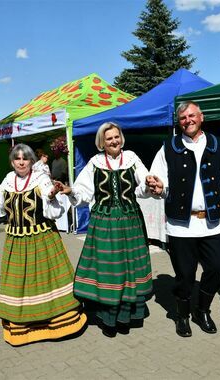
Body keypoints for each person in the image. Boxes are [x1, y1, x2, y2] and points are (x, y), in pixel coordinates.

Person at [0, 143, 86, 346]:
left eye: (25, 158)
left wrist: (51, 196)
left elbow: (53, 209)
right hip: (16, 241)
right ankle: (23, 327)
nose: (21, 162)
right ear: (12, 162)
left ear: (32, 161)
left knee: (46, 280)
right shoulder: (7, 180)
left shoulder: (40, 179)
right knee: (20, 284)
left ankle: (58, 324)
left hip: (42, 238)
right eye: (17, 158)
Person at [145, 101, 220, 337]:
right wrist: (156, 186)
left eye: (191, 116)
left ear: (201, 117)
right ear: (179, 123)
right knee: (185, 276)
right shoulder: (169, 146)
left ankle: (203, 310)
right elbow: (158, 179)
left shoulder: (218, 144)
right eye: (183, 118)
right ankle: (183, 315)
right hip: (180, 226)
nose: (187, 121)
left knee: (217, 267)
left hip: (211, 224)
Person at [56, 122, 152, 338]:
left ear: (121, 138)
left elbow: (143, 184)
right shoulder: (95, 162)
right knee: (109, 269)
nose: (114, 141)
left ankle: (127, 316)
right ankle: (108, 317)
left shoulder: (132, 158)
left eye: (116, 137)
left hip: (129, 220)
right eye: (109, 138)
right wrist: (71, 191)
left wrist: (150, 182)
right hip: (104, 222)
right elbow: (83, 193)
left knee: (130, 267)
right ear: (102, 142)